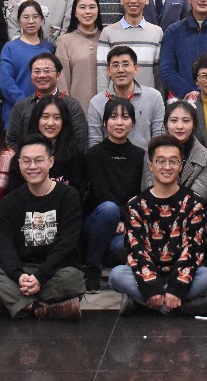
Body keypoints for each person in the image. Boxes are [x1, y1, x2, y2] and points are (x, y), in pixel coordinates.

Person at [0, 136, 86, 321]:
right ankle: (41, 309)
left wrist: (41, 277)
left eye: (38, 160)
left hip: (54, 270)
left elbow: (66, 244)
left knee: (73, 279)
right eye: (26, 161)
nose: (32, 166)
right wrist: (18, 276)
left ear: (51, 162)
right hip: (21, 269)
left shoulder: (68, 196)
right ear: (19, 164)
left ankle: (12, 304)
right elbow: (5, 245)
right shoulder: (10, 201)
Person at [110, 133, 207, 316]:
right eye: (161, 161)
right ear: (151, 165)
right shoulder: (136, 205)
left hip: (183, 274)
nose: (167, 167)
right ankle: (177, 307)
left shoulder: (194, 203)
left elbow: (193, 249)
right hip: (149, 274)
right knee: (117, 275)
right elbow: (136, 250)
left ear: (181, 166)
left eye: (173, 161)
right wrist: (151, 286)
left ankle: (145, 304)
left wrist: (176, 287)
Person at [83, 97, 146, 292]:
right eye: (113, 117)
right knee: (109, 209)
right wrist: (120, 216)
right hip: (99, 218)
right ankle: (92, 269)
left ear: (132, 122)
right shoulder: (95, 154)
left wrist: (127, 220)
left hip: (127, 222)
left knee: (120, 247)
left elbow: (141, 194)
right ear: (104, 122)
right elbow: (101, 193)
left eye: (125, 117)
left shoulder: (140, 155)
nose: (119, 123)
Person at [6, 53, 88, 155]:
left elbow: (80, 141)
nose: (41, 75)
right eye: (37, 71)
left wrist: (54, 161)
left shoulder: (71, 105)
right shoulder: (21, 106)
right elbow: (11, 141)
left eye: (47, 71)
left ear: (58, 75)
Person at [88, 45, 165, 149]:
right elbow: (94, 142)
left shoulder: (154, 97)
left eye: (125, 64)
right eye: (115, 65)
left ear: (136, 68)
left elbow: (159, 137)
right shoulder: (97, 102)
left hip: (145, 158)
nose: (121, 70)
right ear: (109, 71)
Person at [12, 94, 88, 195]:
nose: (50, 123)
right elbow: (15, 192)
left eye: (56, 118)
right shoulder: (23, 153)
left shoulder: (75, 154)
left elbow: (79, 192)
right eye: (45, 117)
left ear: (64, 121)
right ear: (37, 119)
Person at [142, 98, 207, 201]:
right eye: (174, 120)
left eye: (186, 121)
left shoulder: (206, 158)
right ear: (166, 124)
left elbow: (196, 199)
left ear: (194, 124)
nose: (180, 126)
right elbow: (149, 191)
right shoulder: (151, 151)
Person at [96, 0, 162, 91]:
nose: (133, 0)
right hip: (116, 99)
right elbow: (103, 72)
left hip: (147, 97)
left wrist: (159, 98)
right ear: (121, 0)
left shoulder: (157, 32)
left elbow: (158, 74)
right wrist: (103, 98)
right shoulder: (108, 32)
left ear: (147, 0)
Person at [0, 0, 57, 125]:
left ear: (42, 20)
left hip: (45, 113)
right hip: (15, 112)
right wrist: (27, 105)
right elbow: (6, 83)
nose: (31, 21)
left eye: (35, 17)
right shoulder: (9, 48)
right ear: (18, 21)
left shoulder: (49, 48)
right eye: (26, 17)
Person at [55, 0, 101, 107]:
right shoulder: (65, 41)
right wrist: (68, 107)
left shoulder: (106, 37)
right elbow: (62, 81)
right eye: (82, 7)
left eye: (92, 7)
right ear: (75, 12)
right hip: (76, 109)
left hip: (105, 108)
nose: (87, 11)